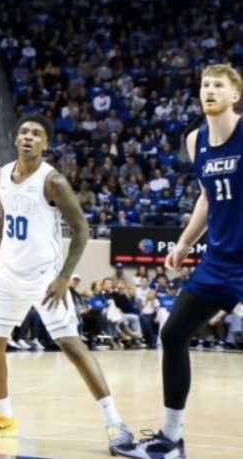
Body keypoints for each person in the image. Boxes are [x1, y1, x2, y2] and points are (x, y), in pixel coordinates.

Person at [0, 114, 135, 454]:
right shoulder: (2, 175)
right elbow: (1, 222)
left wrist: (63, 278)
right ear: (16, 139)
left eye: (36, 134)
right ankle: (4, 417)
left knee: (72, 346)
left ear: (46, 144)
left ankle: (115, 422)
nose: (29, 137)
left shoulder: (54, 181)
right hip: (8, 276)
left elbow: (82, 231)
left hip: (45, 277)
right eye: (24, 132)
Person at [116, 65, 243, 459]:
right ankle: (171, 441)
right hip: (219, 262)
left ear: (235, 95)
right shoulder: (196, 141)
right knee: (172, 335)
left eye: (218, 85)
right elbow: (207, 196)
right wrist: (185, 243)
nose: (209, 90)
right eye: (205, 84)